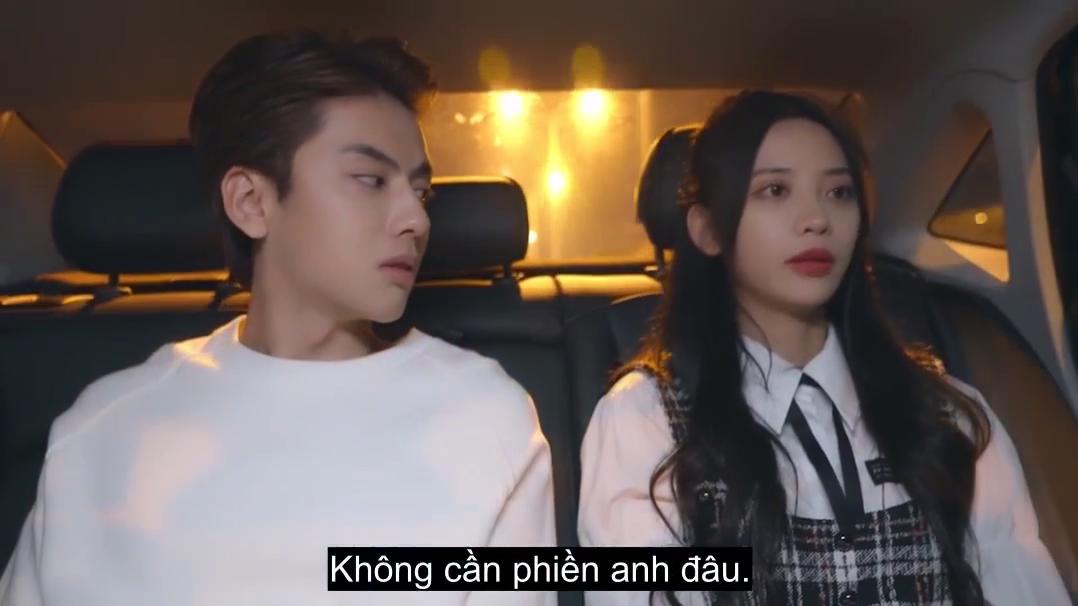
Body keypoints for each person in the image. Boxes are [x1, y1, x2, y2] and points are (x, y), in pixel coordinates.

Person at [1, 31, 555, 605]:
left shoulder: (486, 418)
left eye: (421, 192)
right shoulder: (101, 430)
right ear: (251, 202)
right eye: (370, 180)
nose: (416, 218)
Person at [577, 90, 1069, 605]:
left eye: (838, 192)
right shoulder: (644, 421)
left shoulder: (949, 415)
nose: (816, 218)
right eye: (775, 190)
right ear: (707, 229)